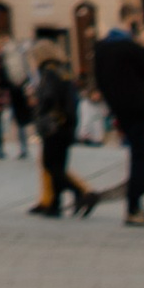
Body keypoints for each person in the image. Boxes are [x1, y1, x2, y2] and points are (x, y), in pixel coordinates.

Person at [93, 15, 144, 228]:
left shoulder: (101, 50)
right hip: (137, 107)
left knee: (135, 154)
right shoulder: (133, 49)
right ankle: (134, 206)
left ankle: (134, 205)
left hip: (118, 109)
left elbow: (99, 79)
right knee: (139, 157)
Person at [25, 33, 95, 218]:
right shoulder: (64, 71)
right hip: (67, 125)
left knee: (51, 166)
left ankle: (84, 194)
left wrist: (38, 103)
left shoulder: (48, 73)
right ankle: (54, 204)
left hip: (54, 125)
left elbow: (48, 97)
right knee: (59, 165)